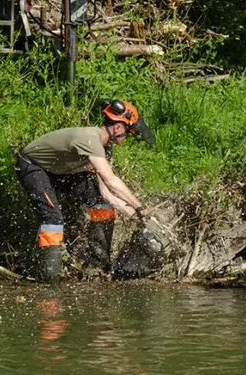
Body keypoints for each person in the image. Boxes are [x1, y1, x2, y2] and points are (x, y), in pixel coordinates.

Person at [15, 99, 156, 280]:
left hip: (59, 170)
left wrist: (137, 218)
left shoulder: (105, 148)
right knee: (53, 218)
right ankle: (48, 277)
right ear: (118, 128)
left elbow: (107, 193)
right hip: (33, 167)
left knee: (101, 202)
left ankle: (98, 263)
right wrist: (140, 207)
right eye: (127, 133)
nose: (127, 138)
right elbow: (111, 180)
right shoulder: (90, 140)